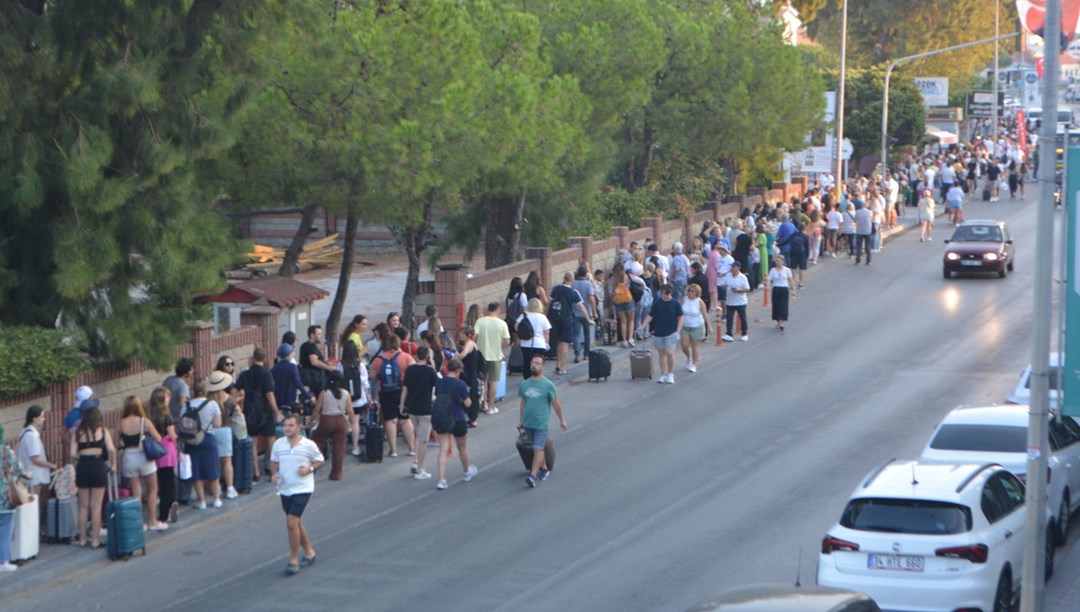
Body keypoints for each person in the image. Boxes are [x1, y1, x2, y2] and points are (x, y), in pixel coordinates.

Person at [270, 413, 325, 576]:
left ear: (299, 427)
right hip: (285, 488)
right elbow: (273, 461)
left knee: (291, 523)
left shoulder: (308, 445)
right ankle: (309, 552)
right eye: (285, 425)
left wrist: (310, 469)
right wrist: (274, 474)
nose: (287, 428)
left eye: (291, 425)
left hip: (303, 488)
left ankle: (293, 559)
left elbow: (320, 460)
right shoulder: (279, 444)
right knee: (296, 522)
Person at [116, 396, 167, 530]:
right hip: (144, 458)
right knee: (152, 490)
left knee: (136, 493)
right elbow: (158, 438)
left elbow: (116, 443)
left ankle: (139, 523)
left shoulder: (121, 423)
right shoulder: (145, 422)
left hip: (129, 458)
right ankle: (152, 521)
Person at [70, 405, 115, 548]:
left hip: (83, 466)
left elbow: (72, 454)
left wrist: (78, 461)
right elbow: (111, 449)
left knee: (83, 506)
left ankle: (82, 539)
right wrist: (113, 465)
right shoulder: (102, 430)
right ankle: (95, 540)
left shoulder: (78, 432)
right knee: (96, 506)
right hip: (98, 465)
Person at [519, 355, 567, 488]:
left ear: (543, 367)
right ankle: (544, 469)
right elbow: (523, 403)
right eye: (532, 363)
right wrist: (520, 421)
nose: (534, 365)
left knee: (537, 448)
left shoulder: (548, 385)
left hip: (541, 424)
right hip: (528, 423)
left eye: (537, 363)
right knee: (536, 449)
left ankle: (533, 475)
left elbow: (556, 404)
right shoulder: (524, 384)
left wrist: (562, 420)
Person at [432, 358, 477, 491]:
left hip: (443, 418)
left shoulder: (439, 382)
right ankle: (466, 471)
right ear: (458, 371)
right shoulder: (461, 384)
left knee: (443, 449)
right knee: (462, 448)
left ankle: (441, 479)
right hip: (458, 418)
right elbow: (468, 403)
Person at [369, 334, 416, 458]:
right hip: (403, 391)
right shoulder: (406, 357)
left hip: (385, 392)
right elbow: (413, 373)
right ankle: (411, 448)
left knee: (390, 421)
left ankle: (393, 450)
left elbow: (372, 376)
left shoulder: (379, 359)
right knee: (405, 420)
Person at [239, 347, 282, 482]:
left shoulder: (245, 374)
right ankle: (272, 471)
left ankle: (255, 472)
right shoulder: (266, 374)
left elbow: (235, 388)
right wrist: (276, 411)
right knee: (271, 439)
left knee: (253, 441)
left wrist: (235, 405)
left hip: (250, 411)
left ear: (252, 358)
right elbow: (269, 394)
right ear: (264, 359)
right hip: (265, 411)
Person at [185, 375, 224, 510]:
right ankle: (216, 499)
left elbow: (182, 424)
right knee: (212, 470)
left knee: (196, 472)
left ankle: (201, 501)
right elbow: (218, 424)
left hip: (192, 440)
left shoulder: (186, 406)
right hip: (208, 438)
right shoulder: (212, 404)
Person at [16, 405, 56, 533]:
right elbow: (35, 458)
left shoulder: (24, 432)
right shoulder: (32, 436)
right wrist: (50, 465)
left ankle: (31, 532)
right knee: (33, 504)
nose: (44, 419)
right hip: (34, 475)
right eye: (42, 416)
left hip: (27, 474)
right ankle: (33, 532)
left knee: (28, 504)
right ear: (34, 418)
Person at [401, 346, 438, 479]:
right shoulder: (430, 371)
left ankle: (416, 461)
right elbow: (438, 385)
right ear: (427, 356)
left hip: (412, 407)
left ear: (416, 355)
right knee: (423, 439)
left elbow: (405, 388)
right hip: (425, 409)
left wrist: (402, 405)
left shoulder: (410, 369)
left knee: (418, 434)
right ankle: (421, 468)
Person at [636, 283, 684, 385]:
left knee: (670, 352)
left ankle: (670, 373)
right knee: (661, 354)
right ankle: (664, 374)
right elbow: (650, 315)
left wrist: (678, 331)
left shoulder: (675, 303)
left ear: (670, 293)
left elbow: (681, 317)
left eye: (666, 294)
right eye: (663, 294)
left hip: (671, 331)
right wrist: (642, 326)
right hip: (658, 332)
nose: (664, 296)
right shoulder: (657, 303)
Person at [310, 371, 354, 481]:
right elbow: (349, 410)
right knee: (339, 447)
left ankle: (312, 467)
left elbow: (317, 409)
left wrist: (311, 420)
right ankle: (336, 474)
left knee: (317, 442)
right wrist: (352, 422)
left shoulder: (324, 393)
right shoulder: (346, 393)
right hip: (341, 421)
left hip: (326, 420)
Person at [549, 272, 592, 375]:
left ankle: (558, 364)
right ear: (572, 280)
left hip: (555, 319)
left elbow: (549, 303)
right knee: (565, 343)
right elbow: (581, 307)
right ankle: (562, 368)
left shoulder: (556, 289)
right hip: (566, 320)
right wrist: (588, 319)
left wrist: (548, 316)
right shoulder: (573, 292)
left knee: (559, 342)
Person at [148, 387, 180, 525]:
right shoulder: (167, 416)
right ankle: (168, 507)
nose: (169, 399)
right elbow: (172, 435)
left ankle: (164, 511)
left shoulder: (149, 416)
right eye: (167, 397)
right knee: (169, 481)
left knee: (160, 481)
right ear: (161, 399)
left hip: (155, 451)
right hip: (167, 449)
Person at [1, 421, 30, 571]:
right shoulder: (5, 451)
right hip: (5, 498)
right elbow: (18, 469)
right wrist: (27, 474)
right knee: (5, 529)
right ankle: (3, 561)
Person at [475, 301, 510, 411]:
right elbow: (507, 341)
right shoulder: (502, 323)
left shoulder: (480, 321)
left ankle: (483, 403)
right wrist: (500, 345)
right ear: (498, 310)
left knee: (483, 381)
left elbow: (474, 336)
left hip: (481, 356)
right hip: (495, 356)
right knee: (493, 381)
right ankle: (491, 406)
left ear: (487, 310)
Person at [339, 340, 371, 458]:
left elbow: (339, 381)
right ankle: (355, 446)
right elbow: (365, 383)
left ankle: (341, 444)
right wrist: (367, 397)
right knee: (355, 422)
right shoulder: (360, 364)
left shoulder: (341, 365)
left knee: (345, 421)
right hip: (358, 399)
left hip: (344, 399)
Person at [516, 298, 551, 381]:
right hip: (539, 344)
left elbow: (516, 326)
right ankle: (537, 378)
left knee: (527, 362)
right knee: (538, 363)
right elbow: (546, 332)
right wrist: (546, 343)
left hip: (525, 344)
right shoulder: (542, 317)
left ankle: (527, 379)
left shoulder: (524, 315)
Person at [679, 284, 710, 373]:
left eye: (692, 291)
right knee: (684, 345)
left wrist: (709, 327)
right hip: (685, 325)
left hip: (697, 326)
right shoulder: (684, 299)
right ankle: (689, 357)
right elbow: (680, 312)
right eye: (689, 291)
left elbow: (705, 314)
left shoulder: (700, 302)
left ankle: (694, 364)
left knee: (694, 346)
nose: (690, 293)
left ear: (697, 293)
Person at [571, 267, 597, 363]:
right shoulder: (588, 284)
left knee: (576, 335)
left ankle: (577, 354)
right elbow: (591, 299)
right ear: (586, 274)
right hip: (586, 312)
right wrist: (594, 312)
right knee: (587, 334)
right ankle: (586, 354)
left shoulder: (573, 284)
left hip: (575, 313)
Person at [457, 325, 483, 423]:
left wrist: (456, 356)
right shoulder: (471, 343)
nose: (460, 335)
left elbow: (463, 355)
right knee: (471, 393)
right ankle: (472, 417)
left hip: (469, 373)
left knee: (469, 393)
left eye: (463, 333)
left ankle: (472, 417)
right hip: (472, 372)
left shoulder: (469, 344)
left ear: (468, 335)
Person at [721, 261, 751, 343]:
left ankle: (744, 334)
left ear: (738, 268)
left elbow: (747, 289)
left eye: (734, 267)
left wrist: (738, 290)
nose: (732, 268)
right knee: (729, 318)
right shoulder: (728, 276)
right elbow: (723, 285)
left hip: (741, 301)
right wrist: (724, 286)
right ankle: (729, 334)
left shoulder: (742, 277)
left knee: (743, 318)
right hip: (730, 301)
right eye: (732, 267)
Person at [767, 255, 796, 333]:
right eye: (777, 261)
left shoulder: (787, 270)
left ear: (783, 262)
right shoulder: (773, 270)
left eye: (779, 261)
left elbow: (791, 280)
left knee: (783, 306)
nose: (778, 263)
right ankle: (778, 320)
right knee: (776, 306)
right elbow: (769, 279)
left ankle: (782, 322)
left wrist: (793, 290)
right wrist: (768, 286)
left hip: (784, 289)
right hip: (776, 289)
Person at [610, 265, 636, 348]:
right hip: (628, 300)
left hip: (618, 302)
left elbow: (611, 292)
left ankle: (624, 340)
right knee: (631, 320)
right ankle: (630, 339)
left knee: (623, 321)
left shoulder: (612, 279)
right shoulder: (626, 277)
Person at [505, 277, 528, 341]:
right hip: (519, 320)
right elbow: (525, 309)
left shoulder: (509, 296)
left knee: (515, 339)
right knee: (520, 339)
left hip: (511, 320)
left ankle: (515, 349)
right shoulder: (522, 295)